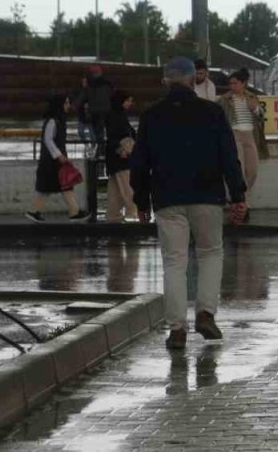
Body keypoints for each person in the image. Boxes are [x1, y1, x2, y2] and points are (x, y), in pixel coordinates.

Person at [131, 57, 247, 350]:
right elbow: (228, 156)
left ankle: (177, 329)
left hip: (168, 198)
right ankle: (206, 314)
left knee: (174, 262)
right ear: (192, 80)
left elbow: (140, 163)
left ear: (165, 82)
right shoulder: (212, 112)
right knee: (210, 254)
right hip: (207, 195)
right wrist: (238, 196)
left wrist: (141, 201)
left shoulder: (151, 115)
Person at [25, 95, 90, 223]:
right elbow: (48, 140)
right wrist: (59, 155)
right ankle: (72, 212)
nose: (68, 106)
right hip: (51, 162)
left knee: (63, 186)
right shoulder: (53, 121)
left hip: (55, 162)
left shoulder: (58, 120)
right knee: (56, 187)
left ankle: (74, 212)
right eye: (65, 103)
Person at [220, 68, 262, 206]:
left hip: (250, 134)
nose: (233, 86)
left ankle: (240, 195)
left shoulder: (251, 97)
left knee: (252, 169)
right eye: (230, 84)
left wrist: (255, 109)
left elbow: (262, 116)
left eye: (235, 83)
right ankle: (242, 201)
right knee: (240, 168)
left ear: (243, 83)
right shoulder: (225, 99)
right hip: (234, 134)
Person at [104, 90, 140, 223]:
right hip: (121, 157)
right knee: (127, 186)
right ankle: (133, 213)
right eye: (128, 100)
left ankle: (113, 215)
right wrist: (121, 149)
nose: (130, 103)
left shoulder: (118, 114)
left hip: (116, 157)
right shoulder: (115, 116)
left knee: (115, 190)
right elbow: (113, 136)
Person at [81, 65, 114, 145]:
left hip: (96, 110)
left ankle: (100, 147)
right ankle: (101, 147)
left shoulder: (91, 84)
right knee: (100, 130)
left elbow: (85, 96)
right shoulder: (106, 83)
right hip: (103, 109)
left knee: (98, 130)